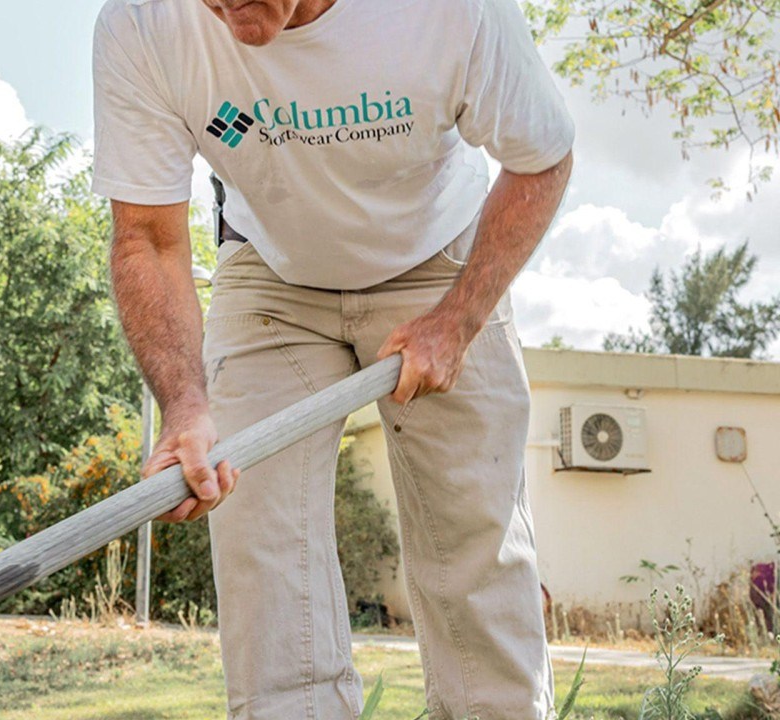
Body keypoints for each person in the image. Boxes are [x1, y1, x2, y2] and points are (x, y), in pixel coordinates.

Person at [90, 0, 575, 717]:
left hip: (439, 264)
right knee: (261, 543)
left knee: (477, 548)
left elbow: (543, 159)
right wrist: (187, 404)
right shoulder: (142, 23)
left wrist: (458, 319)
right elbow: (148, 239)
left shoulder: (451, 12)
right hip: (270, 276)